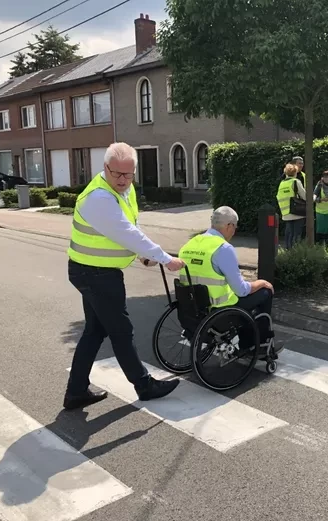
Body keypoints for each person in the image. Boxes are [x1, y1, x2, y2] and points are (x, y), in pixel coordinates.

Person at [64, 142, 185, 410]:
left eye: (128, 175)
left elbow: (129, 228)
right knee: (121, 331)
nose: (122, 180)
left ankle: (75, 391)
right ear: (105, 167)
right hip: (95, 274)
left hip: (93, 270)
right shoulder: (99, 198)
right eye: (117, 174)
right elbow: (127, 233)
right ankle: (144, 385)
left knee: (95, 331)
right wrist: (165, 259)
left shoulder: (124, 190)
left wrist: (144, 255)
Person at [177, 206, 279, 348]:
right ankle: (255, 343)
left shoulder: (189, 244)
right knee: (265, 292)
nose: (234, 231)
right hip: (220, 312)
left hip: (192, 310)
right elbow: (241, 290)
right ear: (229, 225)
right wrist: (260, 283)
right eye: (235, 227)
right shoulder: (223, 248)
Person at [276, 162, 306, 249]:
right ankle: (295, 254)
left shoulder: (282, 183)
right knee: (297, 235)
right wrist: (314, 197)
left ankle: (288, 253)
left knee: (289, 234)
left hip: (286, 213)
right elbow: (304, 196)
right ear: (295, 172)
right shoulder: (296, 181)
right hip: (297, 212)